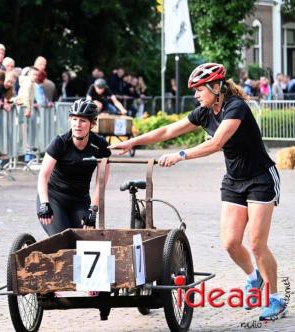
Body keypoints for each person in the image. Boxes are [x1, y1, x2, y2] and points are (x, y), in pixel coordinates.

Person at [110, 63, 286, 321]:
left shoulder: (235, 107)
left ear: (216, 87)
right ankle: (254, 277)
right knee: (230, 243)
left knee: (257, 244)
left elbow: (216, 143)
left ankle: (275, 298)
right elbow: (169, 130)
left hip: (261, 178)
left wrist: (181, 155)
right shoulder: (204, 111)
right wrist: (133, 141)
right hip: (234, 180)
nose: (196, 95)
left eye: (199, 90)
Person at [37, 98, 111, 236]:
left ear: (92, 124)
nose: (78, 124)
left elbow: (101, 181)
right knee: (62, 239)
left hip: (80, 200)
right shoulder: (60, 142)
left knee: (86, 239)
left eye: (83, 121)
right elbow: (43, 176)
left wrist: (93, 210)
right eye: (74, 119)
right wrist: (44, 203)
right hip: (54, 198)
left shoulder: (100, 145)